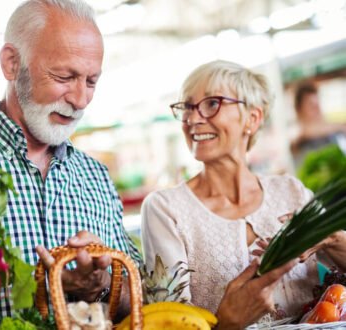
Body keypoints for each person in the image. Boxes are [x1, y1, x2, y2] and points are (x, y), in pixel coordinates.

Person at [141, 60, 346, 329]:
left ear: (253, 118)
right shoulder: (166, 209)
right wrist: (227, 323)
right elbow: (169, 322)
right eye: (187, 107)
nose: (192, 118)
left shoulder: (291, 191)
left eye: (212, 103)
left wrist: (329, 238)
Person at [0, 0, 141, 327]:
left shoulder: (94, 176)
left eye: (91, 81)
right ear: (12, 64)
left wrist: (102, 285)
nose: (80, 99)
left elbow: (139, 299)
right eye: (64, 76)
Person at [290, 83, 346, 168]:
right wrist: (340, 127)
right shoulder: (297, 140)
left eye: (318, 104)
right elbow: (306, 132)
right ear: (299, 110)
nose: (318, 110)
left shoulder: (330, 134)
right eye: (312, 106)